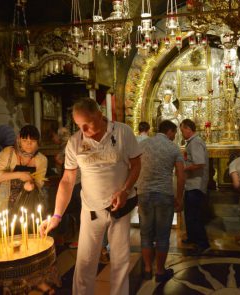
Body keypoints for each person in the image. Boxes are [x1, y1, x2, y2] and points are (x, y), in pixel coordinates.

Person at [41, 98, 141, 294]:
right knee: (85, 261)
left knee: (120, 260)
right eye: (79, 125)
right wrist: (56, 216)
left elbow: (136, 165)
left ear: (100, 115)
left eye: (87, 124)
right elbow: (68, 181)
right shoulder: (75, 142)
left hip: (120, 207)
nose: (83, 130)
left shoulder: (122, 132)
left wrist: (125, 190)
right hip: (91, 210)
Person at [136, 120, 184, 282]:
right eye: (174, 132)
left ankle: (148, 269)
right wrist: (179, 197)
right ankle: (160, 271)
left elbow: (134, 167)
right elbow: (181, 175)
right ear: (169, 131)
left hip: (144, 193)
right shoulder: (173, 148)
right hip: (164, 194)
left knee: (146, 234)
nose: (175, 135)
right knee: (163, 235)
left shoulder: (143, 145)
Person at [0, 125, 47, 213]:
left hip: (28, 204)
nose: (29, 144)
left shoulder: (41, 159)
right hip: (4, 204)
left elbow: (39, 183)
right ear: (19, 140)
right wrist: (20, 175)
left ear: (38, 142)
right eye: (25, 140)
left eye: (33, 141)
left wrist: (32, 185)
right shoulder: (8, 153)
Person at [180, 118, 210, 253]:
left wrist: (184, 169)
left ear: (188, 128)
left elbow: (199, 163)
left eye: (182, 131)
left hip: (196, 184)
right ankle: (192, 237)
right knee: (189, 213)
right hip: (191, 183)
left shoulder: (196, 142)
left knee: (195, 215)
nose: (182, 134)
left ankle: (203, 243)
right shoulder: (192, 142)